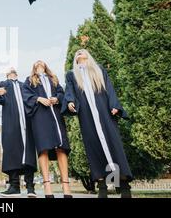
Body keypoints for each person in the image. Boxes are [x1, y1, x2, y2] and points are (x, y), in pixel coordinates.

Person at [62, 49, 133, 198]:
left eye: (82, 51)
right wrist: (69, 102)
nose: (79, 52)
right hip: (87, 116)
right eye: (77, 52)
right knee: (93, 148)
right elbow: (69, 92)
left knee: (114, 146)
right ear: (75, 59)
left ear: (88, 55)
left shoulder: (98, 69)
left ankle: (124, 185)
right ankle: (102, 187)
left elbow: (109, 88)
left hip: (105, 113)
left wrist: (114, 105)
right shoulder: (71, 75)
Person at [22, 60, 72, 198]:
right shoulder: (29, 80)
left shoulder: (53, 79)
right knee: (43, 148)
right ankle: (47, 185)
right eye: (36, 64)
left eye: (41, 64)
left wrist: (56, 99)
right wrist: (38, 99)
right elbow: (25, 95)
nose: (39, 65)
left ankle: (66, 185)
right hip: (40, 117)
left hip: (55, 115)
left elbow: (62, 93)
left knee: (61, 147)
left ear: (45, 67)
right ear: (34, 68)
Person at [0, 67, 37, 198]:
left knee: (29, 153)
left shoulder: (24, 84)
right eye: (9, 69)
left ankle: (30, 187)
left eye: (13, 68)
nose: (11, 69)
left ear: (17, 72)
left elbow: (33, 99)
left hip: (27, 122)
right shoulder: (3, 84)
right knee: (12, 151)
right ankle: (14, 186)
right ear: (7, 74)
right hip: (11, 123)